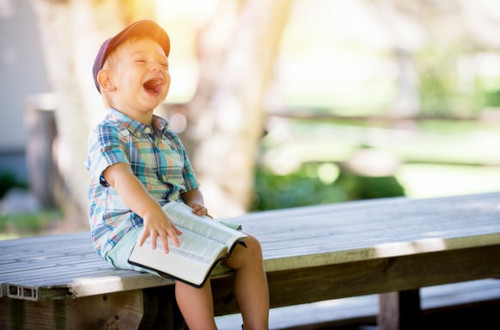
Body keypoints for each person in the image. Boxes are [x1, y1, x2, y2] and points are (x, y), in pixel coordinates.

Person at [85, 20, 269, 329]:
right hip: (127, 232)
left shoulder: (167, 133)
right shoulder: (107, 132)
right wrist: (150, 211)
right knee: (191, 261)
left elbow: (189, 185)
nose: (156, 69)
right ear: (108, 81)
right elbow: (121, 178)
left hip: (173, 220)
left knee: (249, 248)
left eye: (163, 64)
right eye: (141, 61)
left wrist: (195, 204)